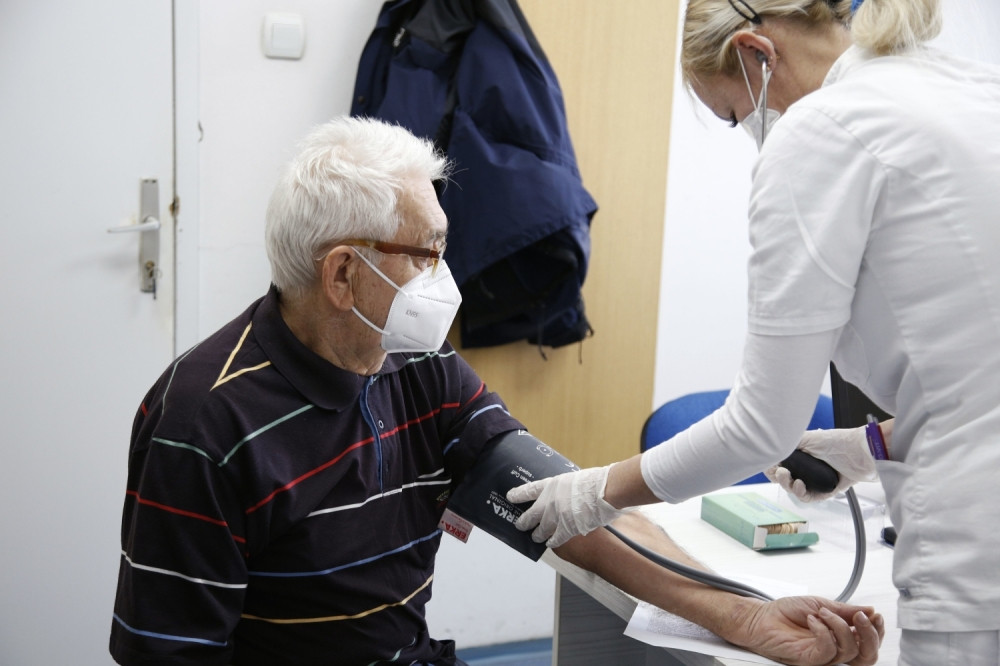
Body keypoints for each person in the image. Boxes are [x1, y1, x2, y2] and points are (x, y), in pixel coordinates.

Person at [110, 116, 883, 666]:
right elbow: (169, 653)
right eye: (430, 253)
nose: (446, 278)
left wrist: (743, 614)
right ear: (344, 273)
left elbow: (565, 509)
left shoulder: (421, 369)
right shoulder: (205, 420)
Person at [508, 0, 1000, 663]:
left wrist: (594, 492)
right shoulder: (972, 89)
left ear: (755, 53)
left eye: (734, 114)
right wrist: (871, 446)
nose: (751, 131)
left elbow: (757, 430)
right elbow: (971, 366)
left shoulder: (820, 132)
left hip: (976, 537)